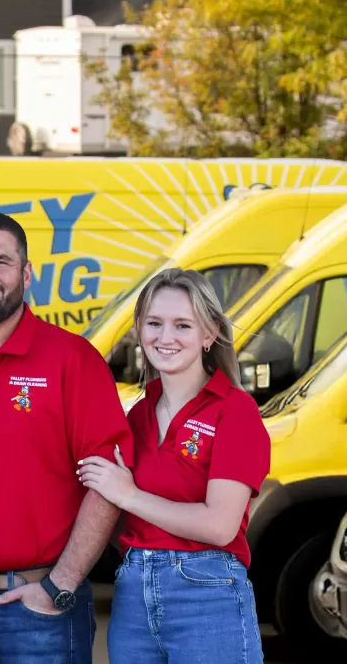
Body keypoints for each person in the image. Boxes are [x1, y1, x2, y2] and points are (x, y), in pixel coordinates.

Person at [0, 211, 132, 664]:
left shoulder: (71, 359)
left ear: (27, 273)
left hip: (38, 609)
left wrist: (61, 585)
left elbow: (110, 481)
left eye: (2, 261)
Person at [76, 268, 268, 664]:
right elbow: (118, 521)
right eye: (154, 324)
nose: (165, 338)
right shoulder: (137, 415)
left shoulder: (235, 411)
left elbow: (219, 526)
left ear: (209, 333)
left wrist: (129, 495)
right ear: (138, 329)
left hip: (207, 592)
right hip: (132, 592)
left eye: (183, 325)